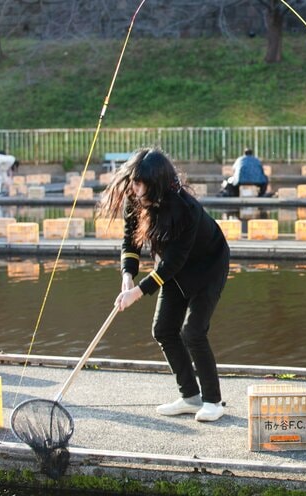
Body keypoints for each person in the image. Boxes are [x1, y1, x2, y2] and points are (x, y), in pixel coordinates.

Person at [96, 147, 230, 422]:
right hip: (173, 269)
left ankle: (213, 402)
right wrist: (127, 275)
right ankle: (190, 397)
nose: (133, 188)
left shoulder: (186, 210)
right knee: (163, 330)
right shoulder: (135, 199)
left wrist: (138, 292)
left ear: (155, 184)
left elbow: (174, 262)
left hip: (208, 266)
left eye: (138, 182)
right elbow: (130, 242)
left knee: (193, 331)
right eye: (132, 181)